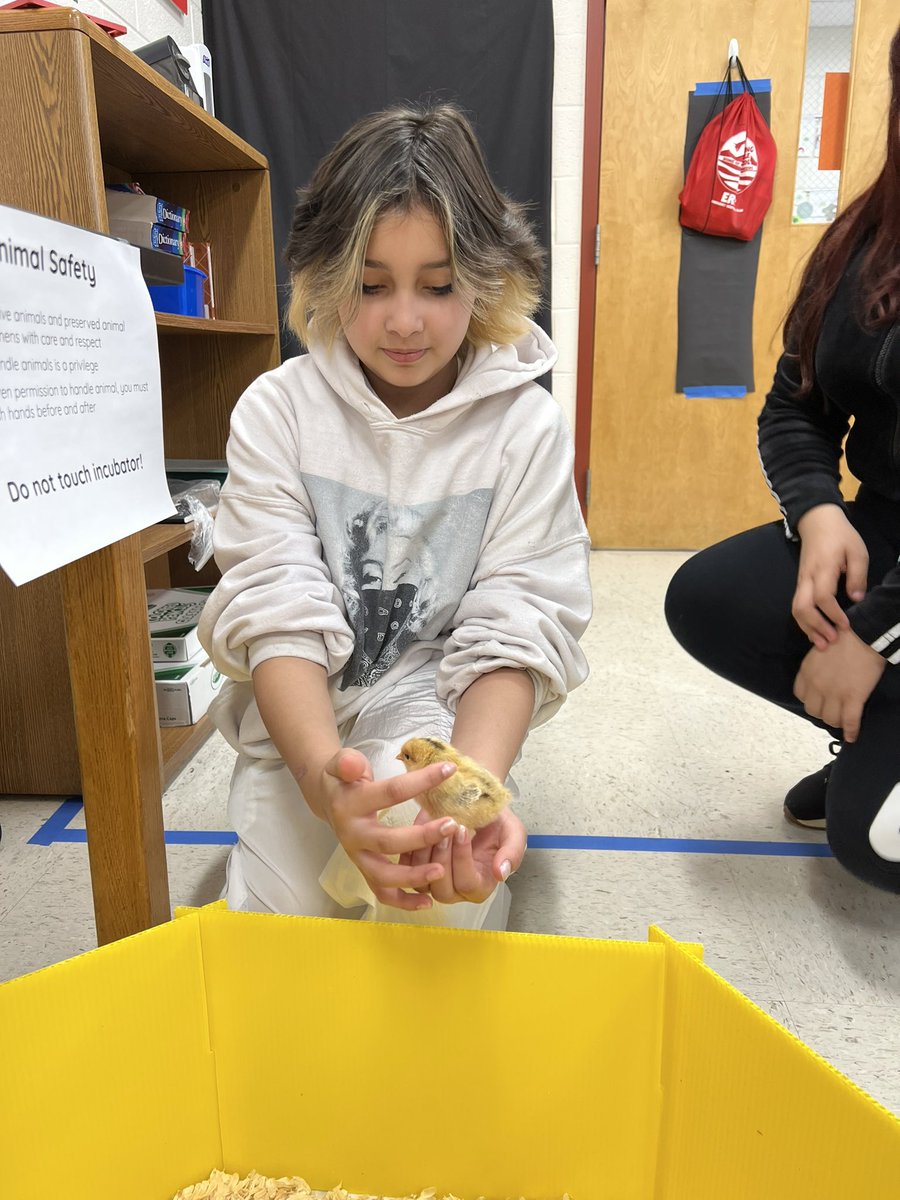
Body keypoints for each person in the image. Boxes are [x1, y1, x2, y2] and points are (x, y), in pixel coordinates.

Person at [198, 102, 592, 929]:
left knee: (432, 909)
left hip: (431, 712)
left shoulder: (525, 428)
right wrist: (323, 780)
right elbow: (276, 609)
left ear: (485, 277)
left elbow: (518, 621)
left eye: (438, 286)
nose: (405, 320)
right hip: (301, 714)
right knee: (275, 930)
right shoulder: (278, 411)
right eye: (371, 286)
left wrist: (467, 800)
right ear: (327, 277)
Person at [665, 26, 900, 893]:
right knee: (710, 598)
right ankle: (881, 740)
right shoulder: (865, 238)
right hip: (888, 521)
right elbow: (794, 407)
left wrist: (871, 637)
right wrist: (820, 510)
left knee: (871, 847)